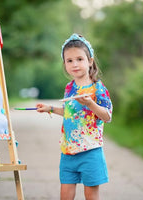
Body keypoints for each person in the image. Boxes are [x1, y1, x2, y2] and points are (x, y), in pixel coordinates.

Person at [36, 33, 113, 200]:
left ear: (90, 61)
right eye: (69, 61)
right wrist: (49, 108)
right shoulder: (69, 87)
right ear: (64, 64)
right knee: (65, 194)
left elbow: (107, 116)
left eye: (79, 59)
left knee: (90, 195)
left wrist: (90, 104)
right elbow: (69, 113)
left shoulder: (97, 88)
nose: (75, 64)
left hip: (90, 151)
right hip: (68, 151)